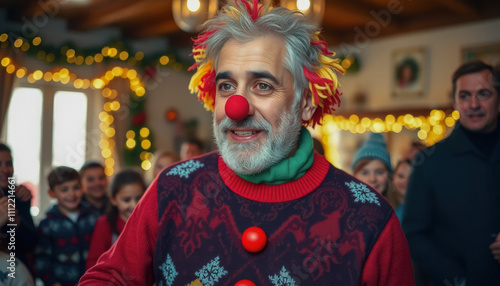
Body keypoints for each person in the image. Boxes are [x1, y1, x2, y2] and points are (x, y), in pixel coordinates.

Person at [80, 1, 413, 285]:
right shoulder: (173, 188)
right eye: (226, 86)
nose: (236, 108)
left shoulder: (370, 218)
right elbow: (111, 276)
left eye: (263, 85)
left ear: (306, 103)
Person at [403, 60, 500, 285]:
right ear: (455, 102)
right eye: (464, 96)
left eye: (484, 94)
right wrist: (458, 280)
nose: (473, 104)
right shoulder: (430, 162)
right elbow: (413, 235)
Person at [36, 166, 99, 286]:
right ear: (52, 193)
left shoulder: (92, 217)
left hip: (90, 281)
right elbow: (42, 260)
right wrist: (53, 283)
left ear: (82, 188)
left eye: (75, 187)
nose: (71, 193)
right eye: (64, 189)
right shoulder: (47, 224)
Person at [86, 170, 146, 269]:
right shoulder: (104, 224)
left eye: (139, 198)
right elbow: (93, 262)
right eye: (126, 200)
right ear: (113, 200)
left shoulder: (148, 222)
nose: (134, 205)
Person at [0, 143, 37, 276]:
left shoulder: (20, 195)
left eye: (8, 163)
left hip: (17, 272)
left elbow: (32, 243)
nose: (5, 170)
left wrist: (17, 222)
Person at [351, 133, 399, 209]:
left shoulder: (400, 212)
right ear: (354, 175)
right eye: (365, 173)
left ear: (389, 174)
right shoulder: (345, 209)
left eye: (379, 172)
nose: (372, 179)